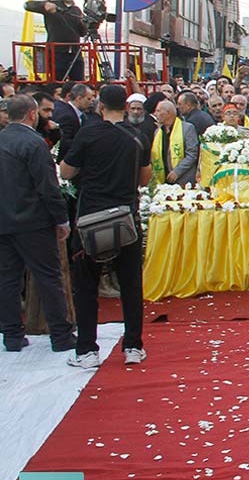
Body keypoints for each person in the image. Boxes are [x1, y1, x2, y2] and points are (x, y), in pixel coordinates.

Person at [61, 85, 152, 368]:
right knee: (131, 284)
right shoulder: (136, 136)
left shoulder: (88, 133)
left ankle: (87, 350)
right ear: (125, 107)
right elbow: (145, 179)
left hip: (90, 218)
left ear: (100, 106)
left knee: (86, 285)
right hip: (126, 217)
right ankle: (133, 346)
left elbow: (66, 172)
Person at [0, 94, 75, 353]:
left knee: (8, 279)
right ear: (32, 114)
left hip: (5, 220)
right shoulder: (33, 143)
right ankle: (61, 335)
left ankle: (11, 334)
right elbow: (47, 186)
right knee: (48, 277)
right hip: (33, 222)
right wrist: (61, 219)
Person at [24, 0, 86, 81]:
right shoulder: (52, 4)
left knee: (79, 85)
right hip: (57, 54)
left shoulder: (77, 10)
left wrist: (88, 23)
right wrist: (44, 5)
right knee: (56, 85)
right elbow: (27, 5)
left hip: (75, 54)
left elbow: (82, 33)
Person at [150, 100, 199, 186]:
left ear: (168, 113)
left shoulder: (187, 128)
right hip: (163, 179)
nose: (155, 114)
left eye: (158, 111)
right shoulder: (157, 131)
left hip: (183, 179)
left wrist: (177, 171)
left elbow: (192, 154)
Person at [52, 83, 95, 160]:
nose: (91, 102)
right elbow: (64, 141)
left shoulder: (82, 115)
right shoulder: (67, 115)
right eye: (88, 99)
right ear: (79, 98)